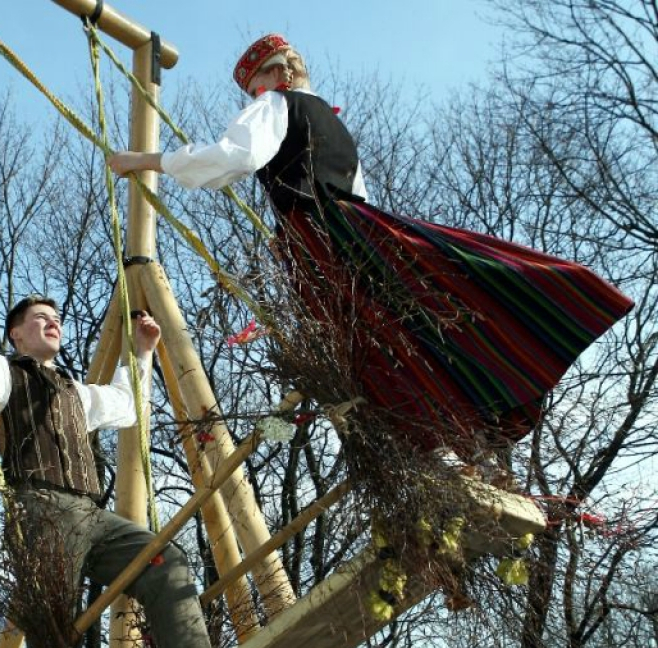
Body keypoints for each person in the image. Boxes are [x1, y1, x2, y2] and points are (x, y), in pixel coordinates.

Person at [108, 34, 634, 457]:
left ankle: (426, 433)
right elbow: (358, 194)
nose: (255, 98)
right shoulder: (333, 123)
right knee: (418, 314)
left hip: (317, 237)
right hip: (362, 229)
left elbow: (233, 157)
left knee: (363, 346)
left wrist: (144, 162)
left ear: (279, 75)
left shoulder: (277, 104)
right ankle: (480, 406)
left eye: (257, 85)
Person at [0, 243, 216, 648]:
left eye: (55, 317)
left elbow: (127, 405)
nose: (52, 321)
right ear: (16, 335)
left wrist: (140, 353)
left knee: (167, 563)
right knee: (53, 620)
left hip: (94, 515)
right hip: (42, 510)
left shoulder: (75, 391)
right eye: (39, 317)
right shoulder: (4, 375)